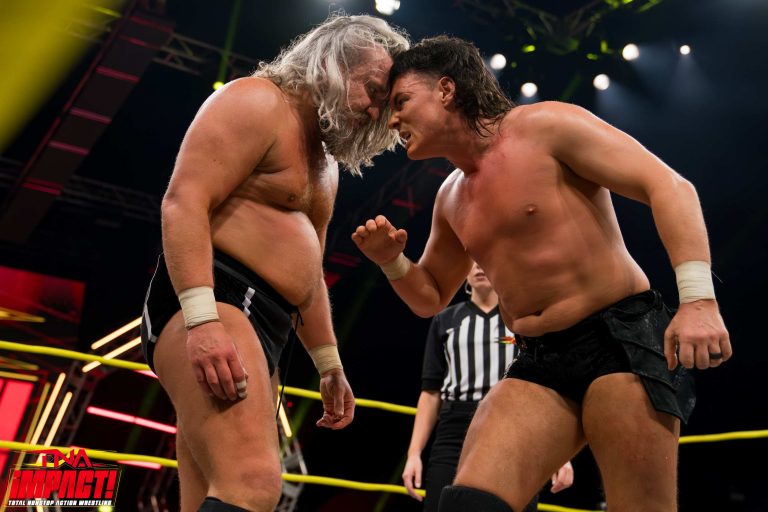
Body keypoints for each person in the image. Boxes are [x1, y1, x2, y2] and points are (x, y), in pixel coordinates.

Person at [352, 36, 731, 512]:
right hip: (538, 358)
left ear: (446, 90)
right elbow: (429, 297)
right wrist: (391, 261)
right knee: (468, 505)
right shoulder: (450, 197)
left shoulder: (545, 126)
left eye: (402, 102)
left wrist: (698, 300)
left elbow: (670, 186)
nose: (392, 120)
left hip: (619, 339)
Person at [139, 15, 409, 512]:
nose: (375, 110)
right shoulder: (257, 101)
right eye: (372, 90)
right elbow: (183, 202)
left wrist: (329, 364)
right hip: (219, 297)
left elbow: (311, 276)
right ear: (331, 64)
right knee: (254, 483)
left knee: (209, 493)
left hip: (266, 322)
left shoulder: (325, 164)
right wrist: (204, 320)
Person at [402, 262, 573, 512]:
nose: (478, 267)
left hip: (514, 423)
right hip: (454, 427)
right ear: (463, 273)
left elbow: (545, 385)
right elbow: (430, 391)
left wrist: (561, 456)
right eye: (471, 262)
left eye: (484, 261)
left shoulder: (523, 319)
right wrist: (414, 454)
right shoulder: (445, 320)